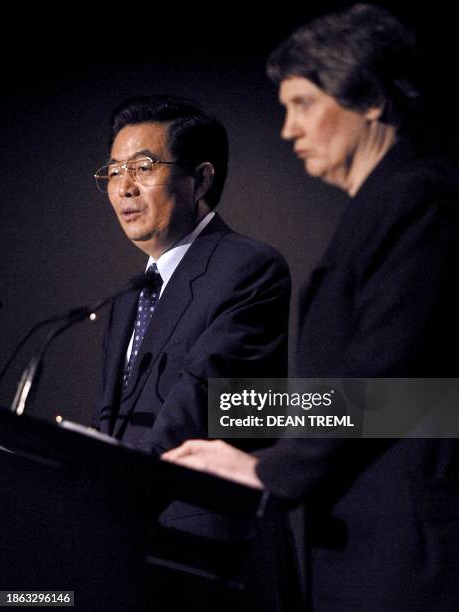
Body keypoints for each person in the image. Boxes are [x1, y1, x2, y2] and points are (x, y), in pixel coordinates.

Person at [163, 5, 459, 611]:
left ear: (370, 99)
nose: (287, 129)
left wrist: (268, 470)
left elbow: (391, 380)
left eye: (303, 104)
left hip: (404, 555)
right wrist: (250, 442)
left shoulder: (417, 197)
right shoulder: (384, 203)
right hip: (366, 537)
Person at [92, 95, 300, 611]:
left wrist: (115, 490)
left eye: (143, 166)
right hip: (127, 544)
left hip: (205, 545)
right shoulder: (130, 294)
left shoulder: (246, 266)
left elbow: (202, 397)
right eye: (114, 170)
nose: (124, 186)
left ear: (201, 181)